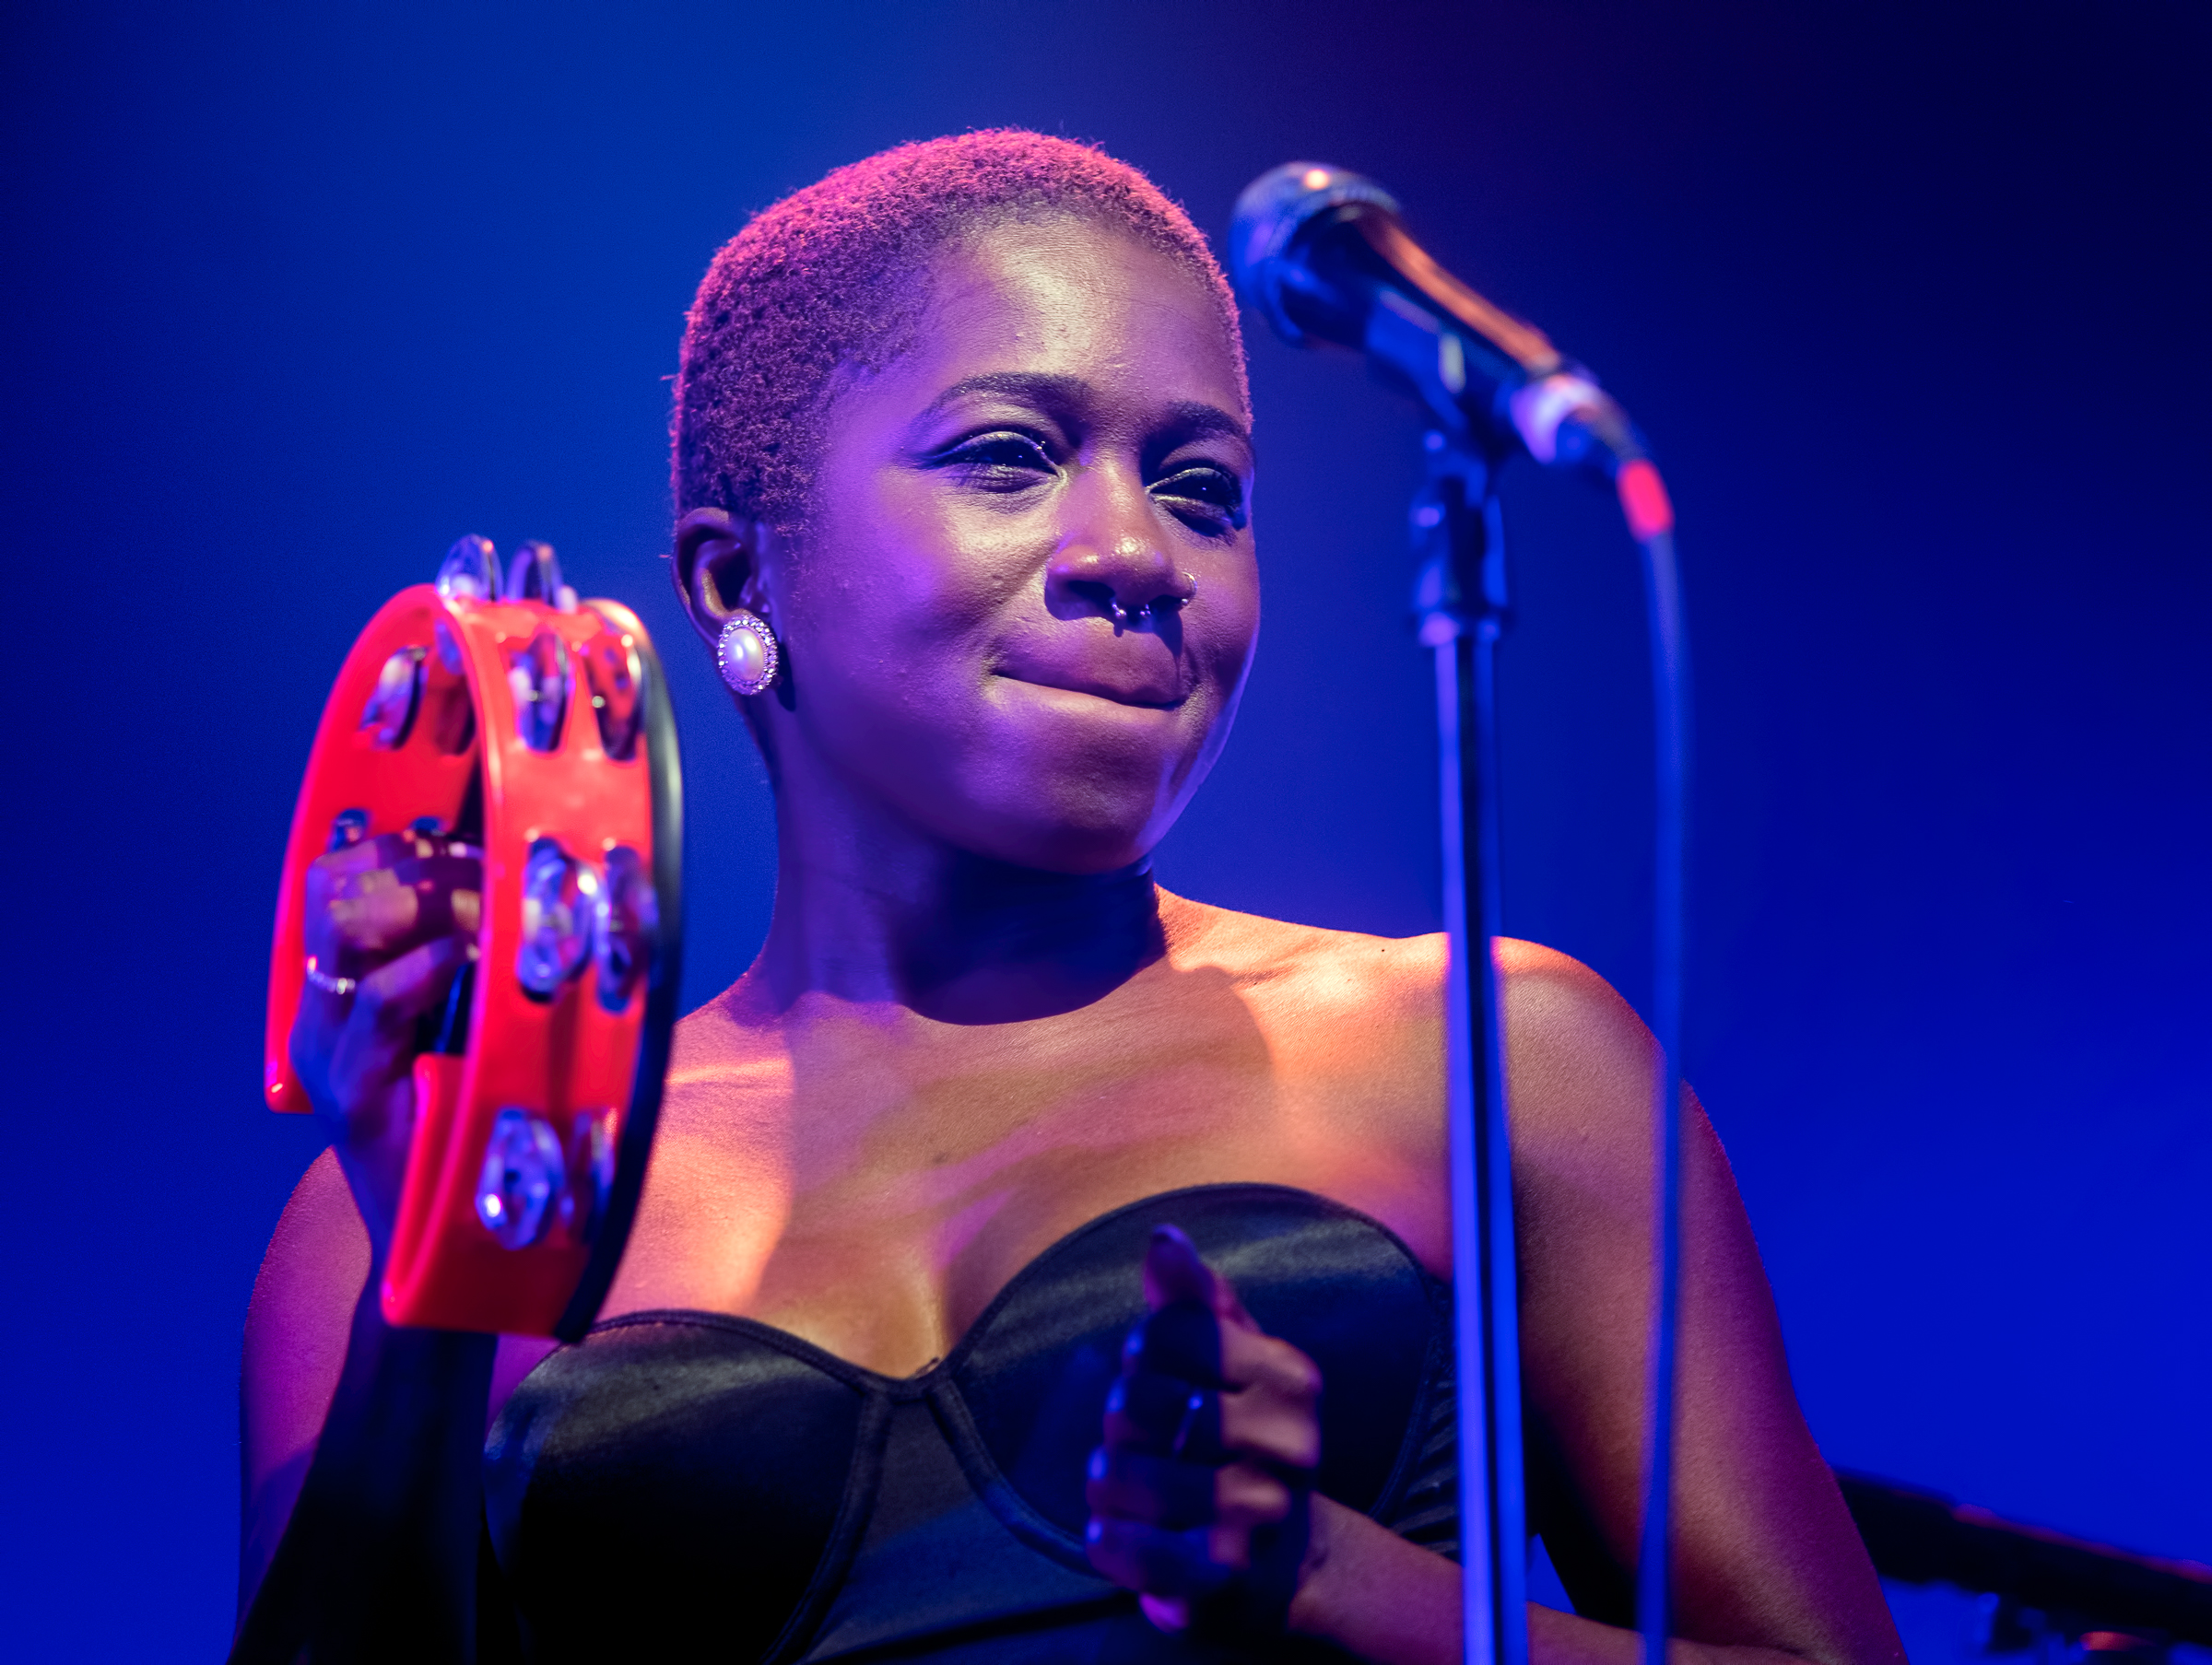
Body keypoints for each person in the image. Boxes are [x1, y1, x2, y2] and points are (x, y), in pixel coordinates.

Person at [236, 131, 1904, 1665]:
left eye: (1202, 490)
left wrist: (1341, 1589)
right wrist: (436, 1263)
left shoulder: (1492, 1054)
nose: (1137, 552)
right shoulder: (398, 1198)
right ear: (738, 580)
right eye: (1011, 457)